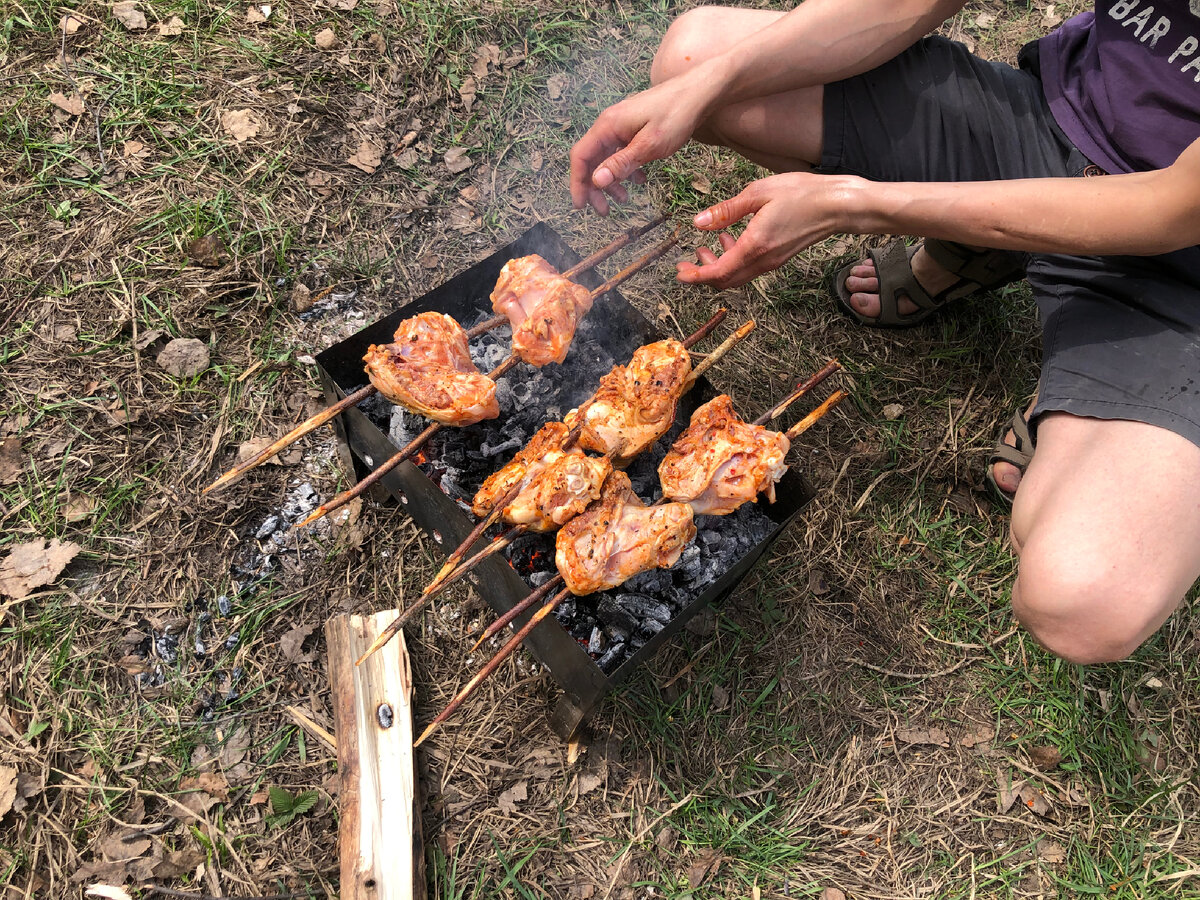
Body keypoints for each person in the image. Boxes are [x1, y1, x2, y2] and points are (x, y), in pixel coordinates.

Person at [568, 1, 1200, 665]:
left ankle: (1094, 369)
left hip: (1181, 272)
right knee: (695, 60)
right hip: (1054, 137)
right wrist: (708, 85)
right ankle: (988, 246)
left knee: (1084, 599)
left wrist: (854, 202)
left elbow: (1172, 207)